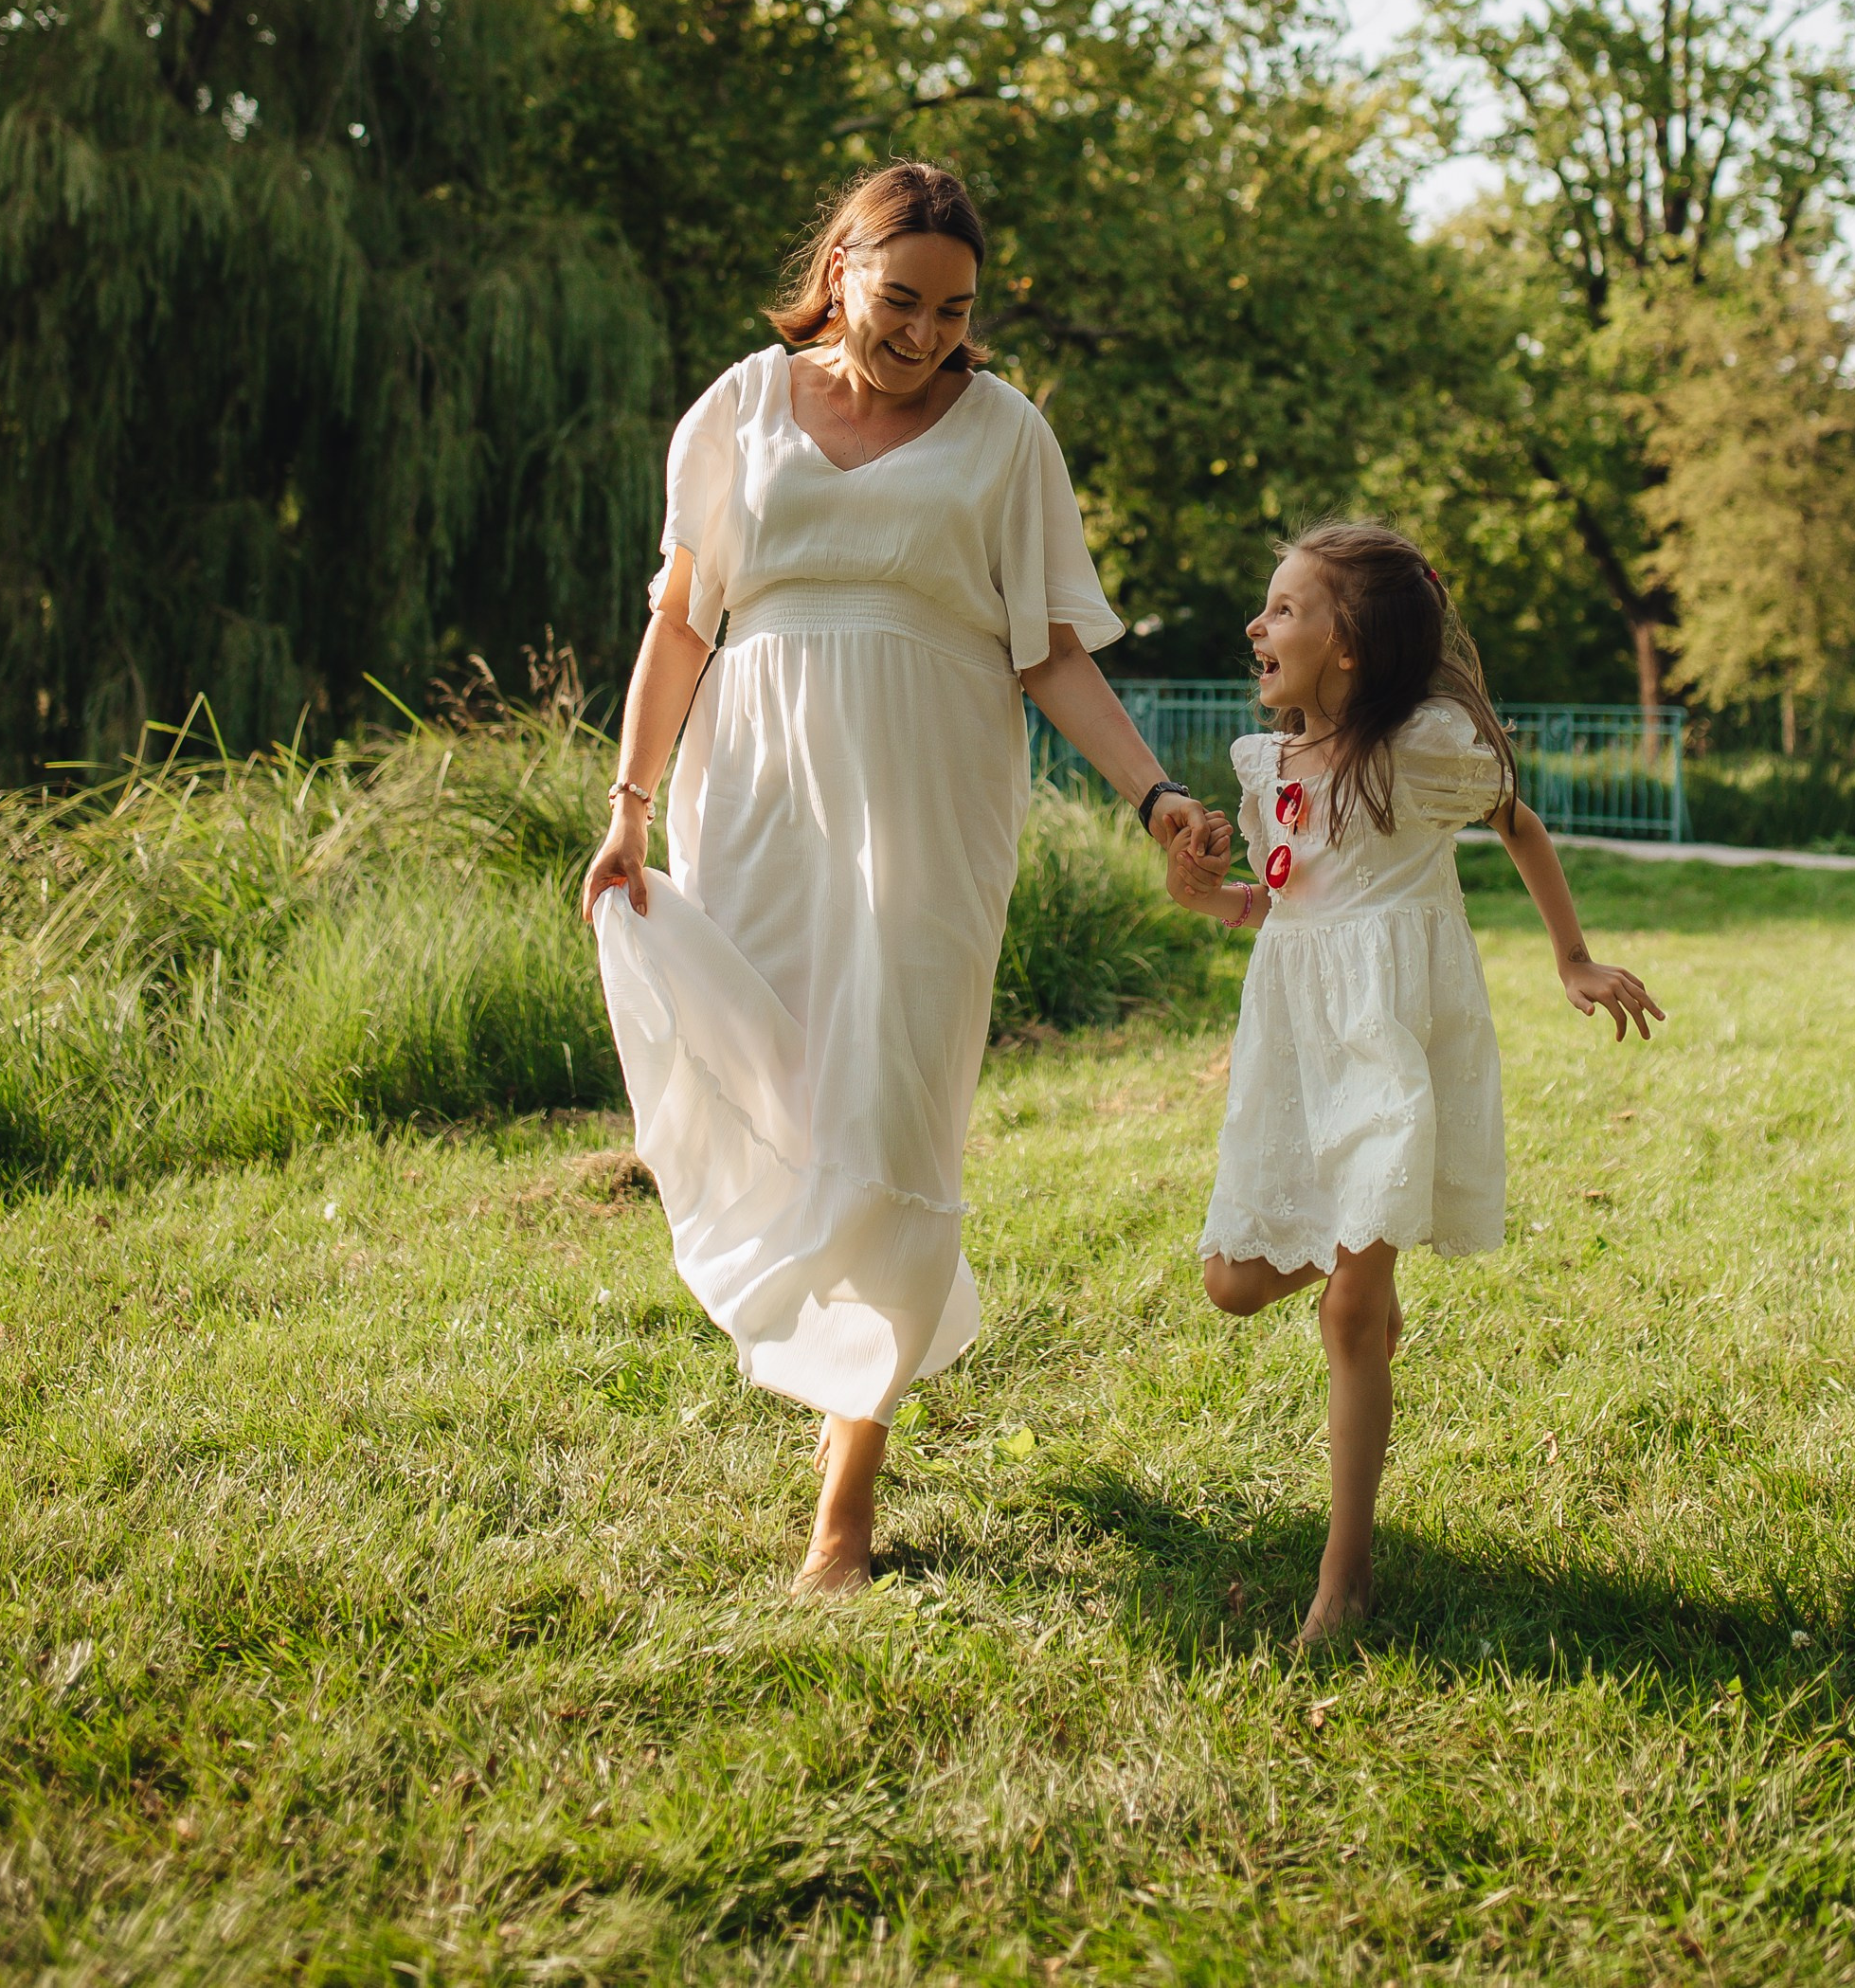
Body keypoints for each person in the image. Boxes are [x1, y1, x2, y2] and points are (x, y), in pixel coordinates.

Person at [582, 161, 1224, 1595]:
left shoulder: (1006, 437)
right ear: (843, 267)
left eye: (955, 310)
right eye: (899, 301)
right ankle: (813, 1349)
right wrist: (627, 806)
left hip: (933, 799)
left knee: (896, 1107)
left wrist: (1158, 796)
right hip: (753, 792)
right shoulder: (739, 408)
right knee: (781, 1092)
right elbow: (683, 626)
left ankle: (845, 1507)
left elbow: (1051, 648)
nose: (925, 334)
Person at [1162, 521, 1665, 1645]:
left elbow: (1517, 825)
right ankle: (1363, 1276)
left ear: (1349, 644)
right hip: (1298, 1047)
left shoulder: (1425, 748)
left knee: (1343, 1309)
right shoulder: (1269, 767)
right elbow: (1272, 902)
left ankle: (1344, 1579)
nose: (1258, 624)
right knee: (1232, 1283)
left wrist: (1570, 957)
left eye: (1284, 607)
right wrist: (1201, 893)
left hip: (1395, 1037)